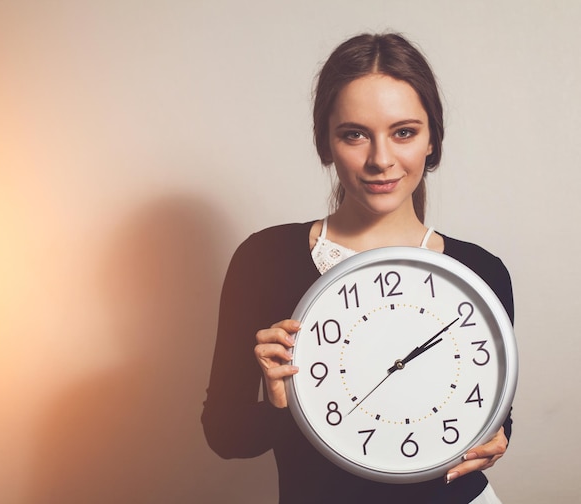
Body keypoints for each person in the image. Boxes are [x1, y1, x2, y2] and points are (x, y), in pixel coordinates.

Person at [202, 32, 513, 503]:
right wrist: (277, 399)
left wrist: (496, 438)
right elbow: (224, 437)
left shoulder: (481, 273)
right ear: (325, 143)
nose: (381, 159)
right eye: (355, 134)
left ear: (433, 141)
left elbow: (494, 418)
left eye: (403, 132)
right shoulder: (264, 259)